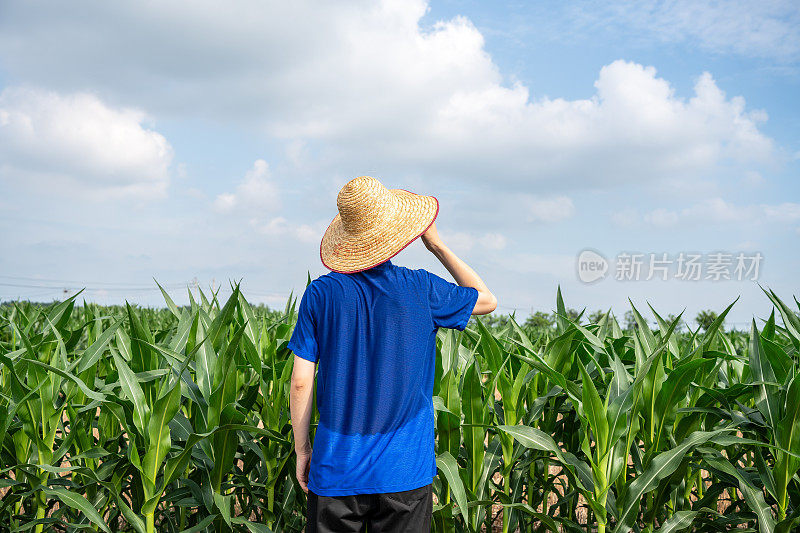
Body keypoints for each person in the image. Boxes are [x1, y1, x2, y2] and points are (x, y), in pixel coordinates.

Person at [288, 175, 497, 532]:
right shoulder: (421, 287)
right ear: (396, 233)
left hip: (337, 467)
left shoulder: (319, 294)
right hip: (405, 470)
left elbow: (300, 383)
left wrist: (303, 449)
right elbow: (487, 300)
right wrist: (437, 246)